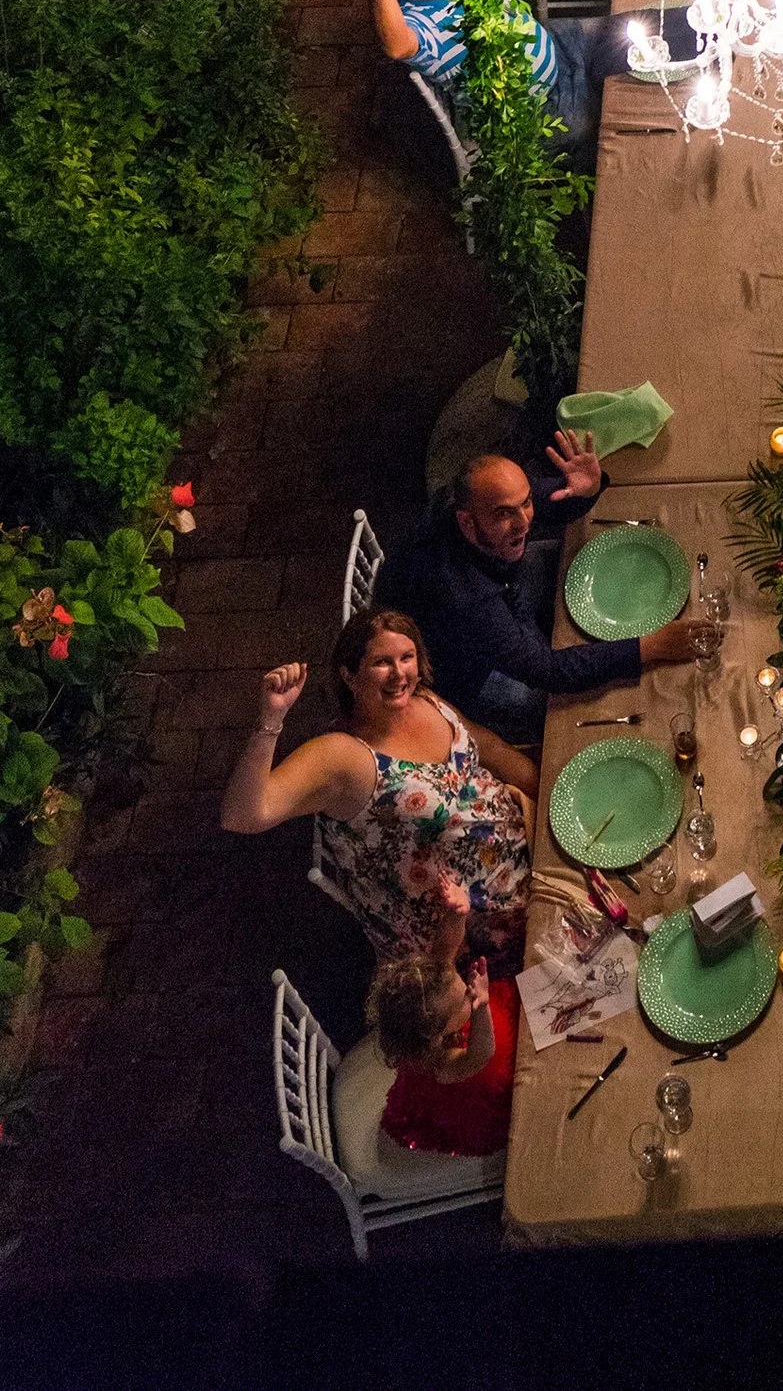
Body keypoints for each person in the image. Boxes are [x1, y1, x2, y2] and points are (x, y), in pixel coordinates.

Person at [218, 614, 536, 967]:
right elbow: (243, 815)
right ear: (349, 675)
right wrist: (271, 718)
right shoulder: (342, 756)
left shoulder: (426, 700)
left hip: (526, 845)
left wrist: (547, 790)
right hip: (471, 929)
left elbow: (490, 749)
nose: (399, 674)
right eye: (381, 663)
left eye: (406, 657)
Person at [381, 442, 710, 743]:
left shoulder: (481, 501)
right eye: (505, 514)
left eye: (524, 504)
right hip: (460, 675)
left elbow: (555, 499)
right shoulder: (464, 598)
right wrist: (650, 646)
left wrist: (589, 489)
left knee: (564, 557)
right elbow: (552, 671)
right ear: (467, 523)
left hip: (496, 592)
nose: (523, 522)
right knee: (558, 705)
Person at [353, 0, 690, 153]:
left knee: (649, 26)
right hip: (547, 107)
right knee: (645, 99)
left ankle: (718, 33)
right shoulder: (419, 24)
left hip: (561, 45)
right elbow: (397, 46)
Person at [369, 890, 522, 1162]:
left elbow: (446, 948)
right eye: (465, 996)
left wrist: (457, 913)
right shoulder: (441, 1066)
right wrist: (481, 1006)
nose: (467, 989)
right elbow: (480, 1054)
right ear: (437, 1034)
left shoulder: (434, 992)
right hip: (470, 1088)